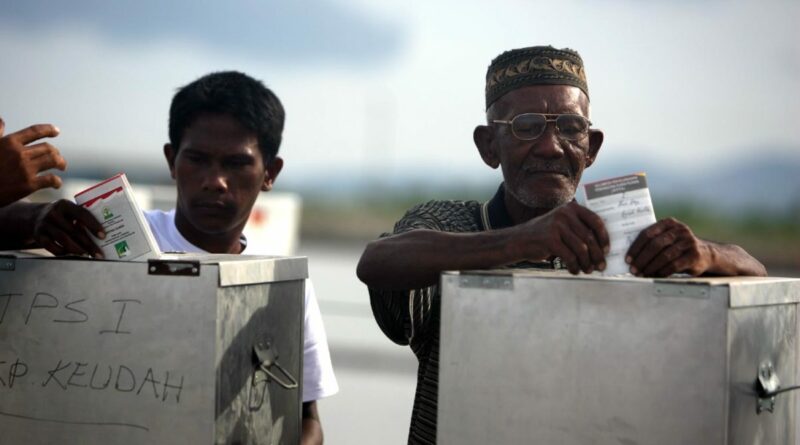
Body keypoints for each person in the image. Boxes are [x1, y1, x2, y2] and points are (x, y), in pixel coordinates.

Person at [356, 45, 767, 445]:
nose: (551, 146)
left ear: (592, 148)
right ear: (488, 146)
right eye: (527, 126)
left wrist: (707, 254)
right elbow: (377, 261)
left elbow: (757, 273)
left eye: (571, 128)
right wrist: (520, 241)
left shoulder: (626, 241)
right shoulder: (455, 226)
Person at [0, 71, 338, 445]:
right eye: (197, 159)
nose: (216, 181)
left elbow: (307, 419)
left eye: (236, 164)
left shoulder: (282, 285)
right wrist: (34, 219)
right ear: (172, 161)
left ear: (269, 173)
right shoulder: (104, 239)